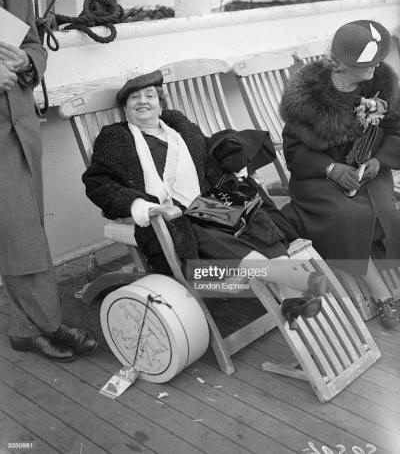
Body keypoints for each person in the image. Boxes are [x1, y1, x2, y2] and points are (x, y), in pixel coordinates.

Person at [83, 70, 328, 330]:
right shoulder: (115, 138)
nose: (142, 101)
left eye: (149, 96)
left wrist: (236, 167)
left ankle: (290, 296)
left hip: (205, 203)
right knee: (203, 229)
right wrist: (140, 205)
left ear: (160, 103)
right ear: (126, 108)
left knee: (252, 221)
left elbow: (210, 157)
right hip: (170, 216)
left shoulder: (179, 128)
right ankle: (294, 279)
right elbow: (98, 183)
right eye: (134, 98)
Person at [0, 0, 97, 361]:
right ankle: (45, 324)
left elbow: (36, 45)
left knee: (27, 229)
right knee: (20, 231)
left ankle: (28, 326)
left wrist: (26, 61)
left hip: (21, 127)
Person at [280, 19, 400, 329]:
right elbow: (293, 152)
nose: (376, 66)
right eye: (369, 62)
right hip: (319, 177)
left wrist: (379, 160)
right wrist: (332, 169)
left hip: (369, 169)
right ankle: (383, 294)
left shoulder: (381, 83)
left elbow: (395, 128)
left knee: (386, 207)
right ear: (344, 65)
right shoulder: (309, 97)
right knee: (348, 214)